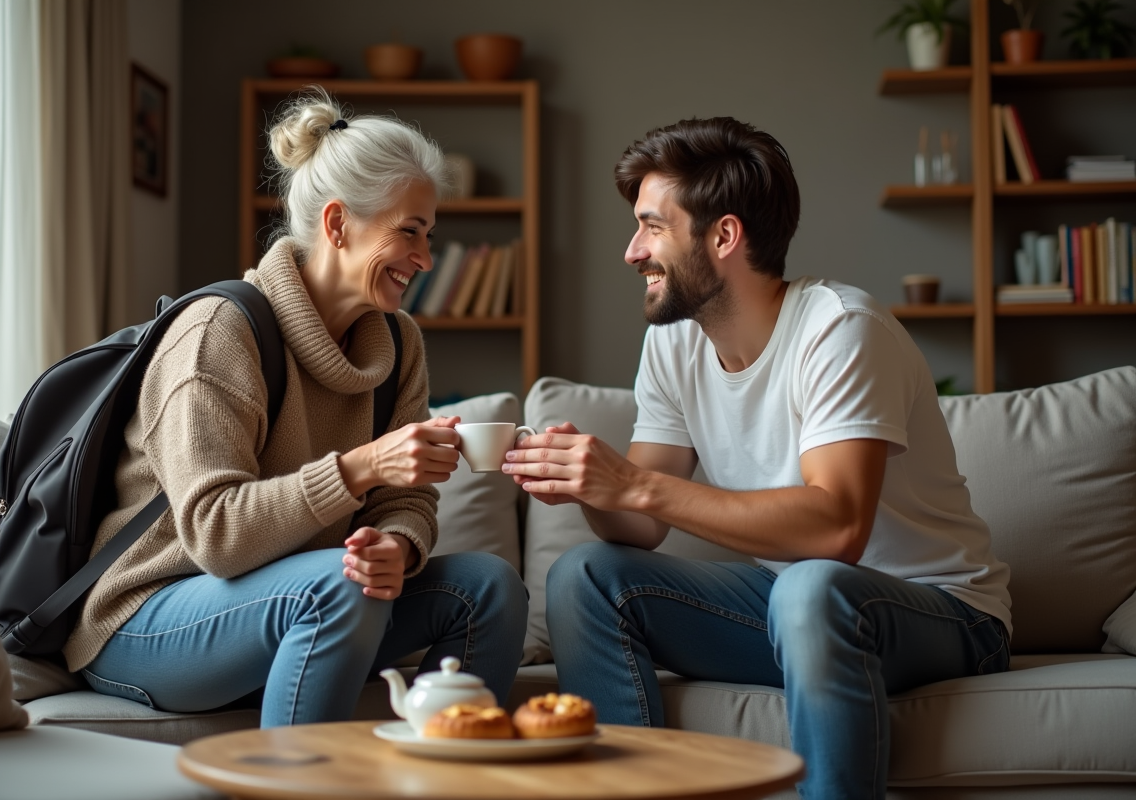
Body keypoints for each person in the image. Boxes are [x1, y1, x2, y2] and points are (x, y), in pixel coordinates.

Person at [503, 117, 1010, 799]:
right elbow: (639, 525)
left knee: (812, 585)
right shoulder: (674, 343)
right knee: (584, 576)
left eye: (653, 226)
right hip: (800, 612)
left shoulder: (838, 329)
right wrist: (592, 486)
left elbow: (837, 531)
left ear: (724, 236)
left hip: (942, 613)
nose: (632, 251)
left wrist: (634, 484)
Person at [65, 91, 528, 727]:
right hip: (148, 616)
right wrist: (361, 467)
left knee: (489, 588)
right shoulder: (218, 332)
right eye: (409, 233)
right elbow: (216, 537)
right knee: (341, 583)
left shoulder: (398, 343)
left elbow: (407, 500)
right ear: (338, 225)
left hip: (293, 601)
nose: (424, 259)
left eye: (430, 235)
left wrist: (396, 545)